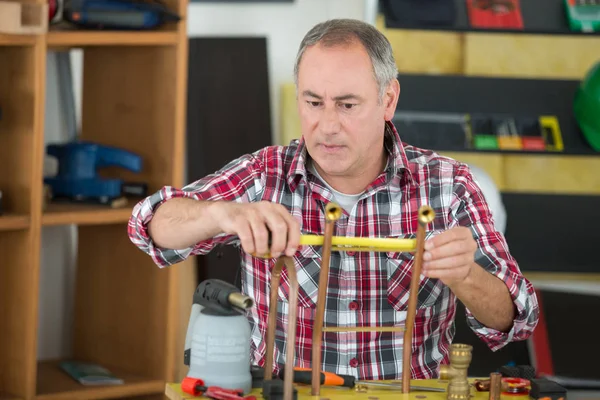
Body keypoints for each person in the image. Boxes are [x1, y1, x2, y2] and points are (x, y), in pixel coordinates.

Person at [128, 18, 539, 381]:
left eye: (346, 105)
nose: (326, 125)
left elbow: (516, 318)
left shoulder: (450, 185)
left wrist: (465, 275)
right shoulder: (262, 176)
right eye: (313, 102)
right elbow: (149, 226)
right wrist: (222, 213)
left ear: (388, 100)